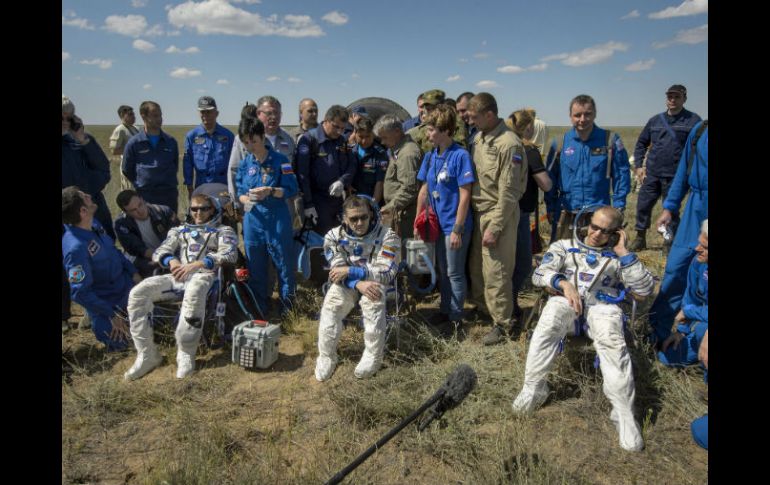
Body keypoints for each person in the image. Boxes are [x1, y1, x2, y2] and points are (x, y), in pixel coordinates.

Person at [512, 207, 654, 452]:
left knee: (610, 335)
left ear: (617, 233)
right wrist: (564, 283)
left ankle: (623, 413)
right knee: (552, 314)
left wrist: (623, 252)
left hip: (602, 308)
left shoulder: (618, 257)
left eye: (605, 231)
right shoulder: (564, 246)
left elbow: (643, 291)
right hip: (568, 304)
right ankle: (534, 387)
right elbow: (539, 274)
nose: (596, 234)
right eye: (594, 226)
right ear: (587, 222)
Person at [124, 193, 239, 380]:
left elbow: (229, 254)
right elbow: (161, 251)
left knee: (194, 290)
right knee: (138, 292)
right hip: (179, 275)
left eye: (204, 208)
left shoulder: (223, 231)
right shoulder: (179, 231)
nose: (199, 213)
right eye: (194, 209)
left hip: (205, 276)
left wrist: (200, 264)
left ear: (213, 210)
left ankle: (186, 353)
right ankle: (147, 355)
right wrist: (172, 262)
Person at [464, 93, 528, 345]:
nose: (472, 122)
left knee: (497, 272)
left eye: (475, 117)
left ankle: (503, 323)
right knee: (478, 267)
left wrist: (496, 225)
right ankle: (483, 308)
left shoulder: (508, 144)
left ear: (489, 115)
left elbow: (510, 192)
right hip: (479, 211)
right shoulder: (479, 138)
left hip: (497, 213)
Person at [314, 195, 401, 381]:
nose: (360, 222)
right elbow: (336, 272)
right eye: (354, 219)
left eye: (364, 217)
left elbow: (386, 272)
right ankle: (327, 356)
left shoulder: (387, 236)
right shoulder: (334, 237)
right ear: (344, 218)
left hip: (375, 282)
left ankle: (373, 356)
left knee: (373, 300)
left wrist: (351, 270)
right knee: (332, 306)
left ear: (371, 214)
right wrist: (357, 283)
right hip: (351, 283)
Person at [414, 105, 475, 334]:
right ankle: (445, 309)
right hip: (436, 225)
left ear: (445, 130)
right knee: (441, 269)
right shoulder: (430, 157)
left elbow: (465, 194)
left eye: (431, 130)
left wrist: (458, 229)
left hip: (454, 225)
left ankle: (457, 317)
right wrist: (419, 220)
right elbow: (423, 190)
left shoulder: (460, 156)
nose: (427, 134)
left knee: (454, 271)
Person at [648, 120, 708, 344]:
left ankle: (695, 335)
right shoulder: (700, 130)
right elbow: (683, 170)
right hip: (696, 206)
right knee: (676, 268)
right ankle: (657, 330)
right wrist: (669, 207)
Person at [62, 186, 139, 351]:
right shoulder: (75, 248)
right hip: (107, 305)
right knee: (127, 343)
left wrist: (134, 273)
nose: (90, 195)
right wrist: (111, 314)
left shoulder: (94, 224)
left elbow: (115, 252)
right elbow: (79, 292)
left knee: (161, 325)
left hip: (127, 289)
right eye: (86, 197)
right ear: (83, 210)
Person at [235, 116, 299, 314]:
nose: (250, 145)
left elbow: (292, 188)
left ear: (263, 137)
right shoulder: (246, 164)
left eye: (253, 140)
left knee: (284, 266)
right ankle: (259, 307)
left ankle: (287, 309)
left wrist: (270, 191)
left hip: (277, 219)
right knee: (256, 265)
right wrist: (246, 199)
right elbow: (240, 190)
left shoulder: (281, 161)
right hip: (253, 221)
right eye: (246, 141)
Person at [546, 95, 631, 241]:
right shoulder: (560, 143)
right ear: (570, 116)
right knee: (563, 257)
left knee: (597, 258)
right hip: (567, 211)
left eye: (588, 114)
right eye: (577, 115)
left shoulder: (610, 140)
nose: (582, 119)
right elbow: (550, 178)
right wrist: (550, 207)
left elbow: (621, 174)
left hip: (599, 214)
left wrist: (619, 205)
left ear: (595, 114)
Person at [628, 85, 702, 251]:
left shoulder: (693, 121)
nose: (672, 100)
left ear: (684, 99)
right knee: (643, 206)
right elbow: (641, 143)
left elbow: (698, 149)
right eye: (670, 96)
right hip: (652, 173)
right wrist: (639, 166)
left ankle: (669, 241)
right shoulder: (655, 121)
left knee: (671, 209)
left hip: (676, 176)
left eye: (676, 97)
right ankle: (640, 238)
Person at [505, 110, 553, 333]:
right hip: (521, 213)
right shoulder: (529, 150)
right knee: (523, 263)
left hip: (503, 212)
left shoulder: (504, 145)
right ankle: (511, 306)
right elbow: (545, 184)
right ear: (529, 127)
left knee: (507, 262)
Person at [296, 105, 356, 235]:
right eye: (336, 127)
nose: (339, 131)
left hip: (337, 200)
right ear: (326, 120)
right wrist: (308, 204)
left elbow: (351, 165)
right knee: (321, 242)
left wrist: (342, 181)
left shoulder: (342, 141)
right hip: (317, 201)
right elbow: (302, 174)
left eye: (342, 128)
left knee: (340, 238)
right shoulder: (309, 140)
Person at [62, 95, 114, 239]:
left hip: (94, 206)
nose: (66, 123)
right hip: (67, 215)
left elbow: (104, 170)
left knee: (106, 243)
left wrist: (82, 140)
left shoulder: (84, 140)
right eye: (62, 118)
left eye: (70, 118)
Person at [657, 219, 708, 367]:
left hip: (704, 325)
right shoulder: (699, 262)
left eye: (705, 247)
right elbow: (692, 296)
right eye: (699, 242)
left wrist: (689, 312)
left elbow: (690, 309)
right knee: (668, 357)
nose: (697, 248)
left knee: (700, 330)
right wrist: (682, 331)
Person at [122, 101, 181, 213]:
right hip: (146, 195)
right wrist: (141, 182)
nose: (159, 119)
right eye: (155, 116)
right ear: (143, 116)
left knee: (171, 228)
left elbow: (175, 165)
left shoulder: (170, 141)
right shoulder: (134, 143)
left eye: (160, 115)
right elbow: (126, 169)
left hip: (168, 194)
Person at [374, 114, 422, 241]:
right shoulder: (399, 150)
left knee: (405, 256)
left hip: (406, 216)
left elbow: (409, 188)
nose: (383, 142)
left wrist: (390, 207)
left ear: (397, 132)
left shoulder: (407, 154)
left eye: (385, 137)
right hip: (400, 213)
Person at [114, 190, 178, 278]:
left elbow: (178, 237)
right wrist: (162, 258)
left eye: (140, 205)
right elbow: (138, 249)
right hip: (143, 256)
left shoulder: (163, 211)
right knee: (153, 270)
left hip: (170, 250)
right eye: (133, 210)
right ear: (126, 212)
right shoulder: (121, 224)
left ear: (142, 199)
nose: (140, 211)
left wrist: (168, 257)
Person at [183, 96, 235, 198]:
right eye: (203, 112)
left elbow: (234, 164)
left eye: (209, 112)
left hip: (223, 186)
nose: (205, 115)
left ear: (216, 113)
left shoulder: (228, 136)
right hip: (201, 186)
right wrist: (189, 187)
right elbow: (187, 163)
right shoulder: (192, 136)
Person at [406, 89, 468, 153]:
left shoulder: (454, 121)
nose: (428, 111)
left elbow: (460, 149)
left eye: (432, 108)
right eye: (427, 108)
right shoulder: (425, 125)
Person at [350, 116, 388, 204]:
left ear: (373, 134)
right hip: (352, 201)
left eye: (367, 136)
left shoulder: (380, 154)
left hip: (371, 200)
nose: (364, 141)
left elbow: (380, 183)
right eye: (361, 136)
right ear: (355, 134)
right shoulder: (350, 152)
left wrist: (373, 206)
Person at [227, 103, 259, 206]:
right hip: (247, 194)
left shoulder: (265, 135)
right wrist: (235, 200)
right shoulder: (239, 139)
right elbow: (234, 169)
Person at [108, 105, 139, 190]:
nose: (133, 116)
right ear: (122, 115)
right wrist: (131, 149)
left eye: (133, 114)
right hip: (128, 166)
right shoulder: (120, 129)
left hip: (138, 166)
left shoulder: (135, 128)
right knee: (130, 192)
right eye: (130, 114)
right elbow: (113, 150)